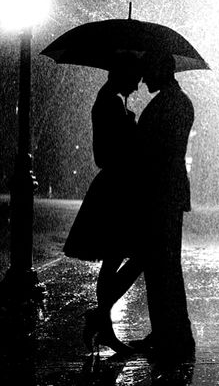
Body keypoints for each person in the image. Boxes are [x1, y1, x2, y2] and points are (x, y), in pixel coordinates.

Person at [63, 50, 143, 354]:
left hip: (115, 189)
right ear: (124, 74)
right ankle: (100, 318)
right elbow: (105, 154)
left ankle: (104, 323)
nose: (137, 85)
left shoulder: (110, 100)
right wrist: (130, 129)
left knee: (114, 259)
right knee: (130, 255)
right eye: (135, 77)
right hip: (115, 192)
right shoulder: (110, 103)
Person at [129, 52, 195, 359]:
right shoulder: (178, 101)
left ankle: (172, 335)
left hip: (161, 191)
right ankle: (171, 332)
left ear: (161, 69)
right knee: (164, 265)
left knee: (162, 266)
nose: (143, 80)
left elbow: (152, 149)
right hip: (169, 190)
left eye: (148, 72)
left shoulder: (168, 104)